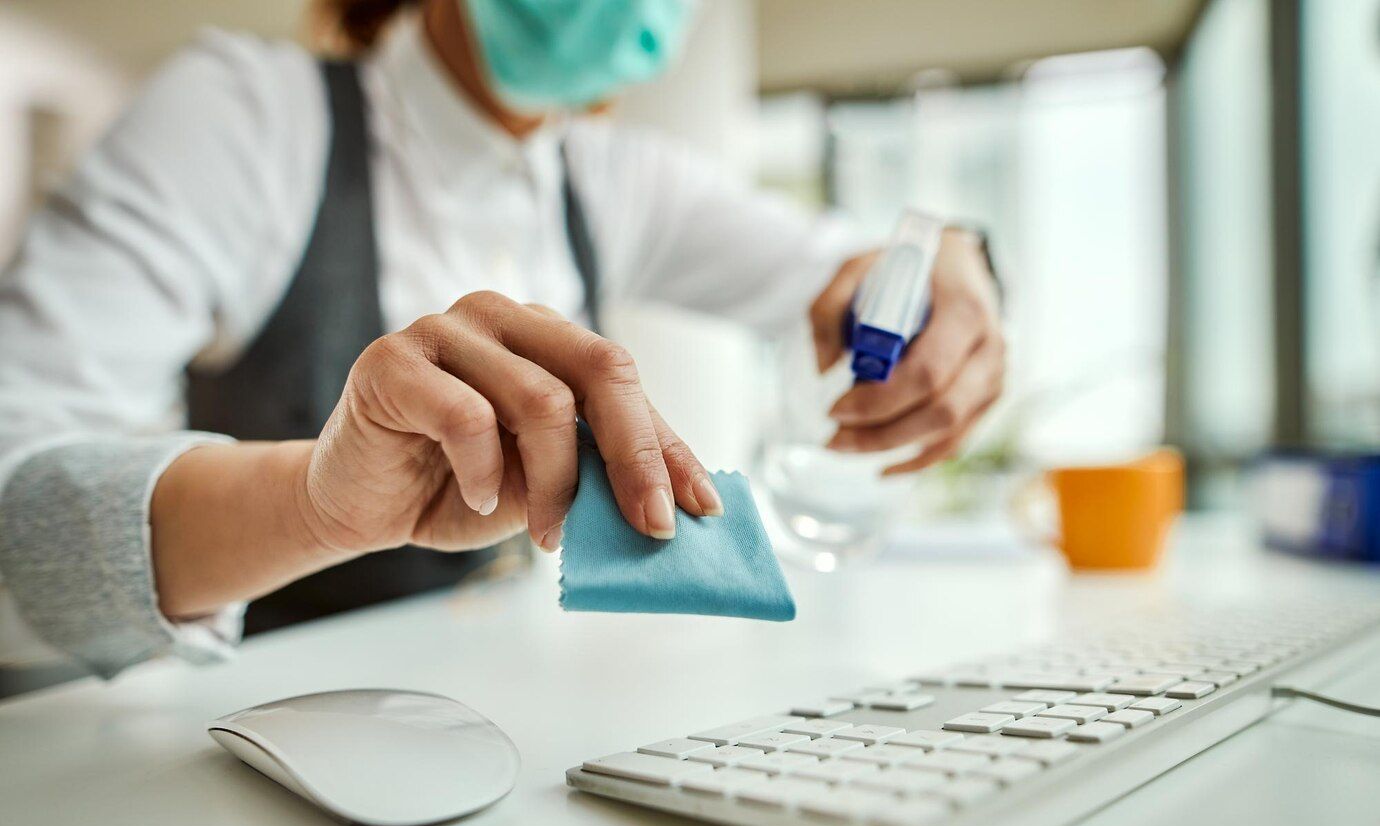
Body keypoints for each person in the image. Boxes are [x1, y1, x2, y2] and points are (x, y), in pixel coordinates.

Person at [0, 0, 1004, 687]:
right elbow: (14, 527)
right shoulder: (242, 118)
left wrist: (944, 258)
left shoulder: (615, 180)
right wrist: (314, 503)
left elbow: (840, 270)